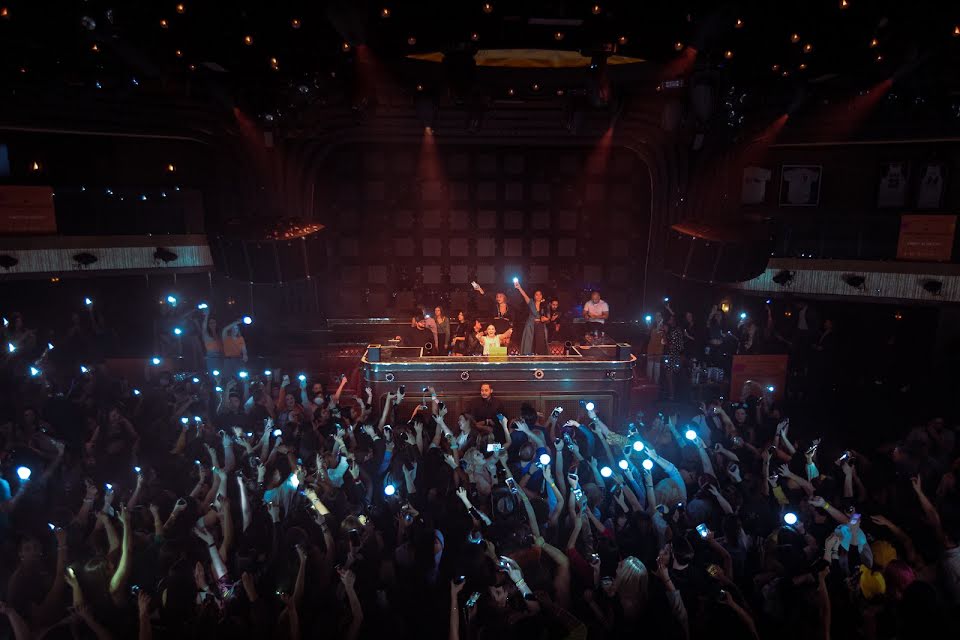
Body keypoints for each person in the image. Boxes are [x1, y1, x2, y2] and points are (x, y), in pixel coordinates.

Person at [513, 281, 548, 356]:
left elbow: (548, 317)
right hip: (530, 325)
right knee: (529, 342)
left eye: (540, 294)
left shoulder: (545, 305)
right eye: (536, 294)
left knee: (541, 343)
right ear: (534, 296)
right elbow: (524, 295)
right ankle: (528, 356)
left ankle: (540, 356)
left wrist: (545, 319)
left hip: (540, 326)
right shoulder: (531, 302)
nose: (538, 296)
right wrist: (519, 287)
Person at [200, 307, 224, 375]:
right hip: (211, 358)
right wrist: (206, 316)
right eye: (210, 323)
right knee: (213, 375)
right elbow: (204, 328)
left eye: (214, 322)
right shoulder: (206, 336)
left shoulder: (219, 335)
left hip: (220, 358)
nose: (212, 324)